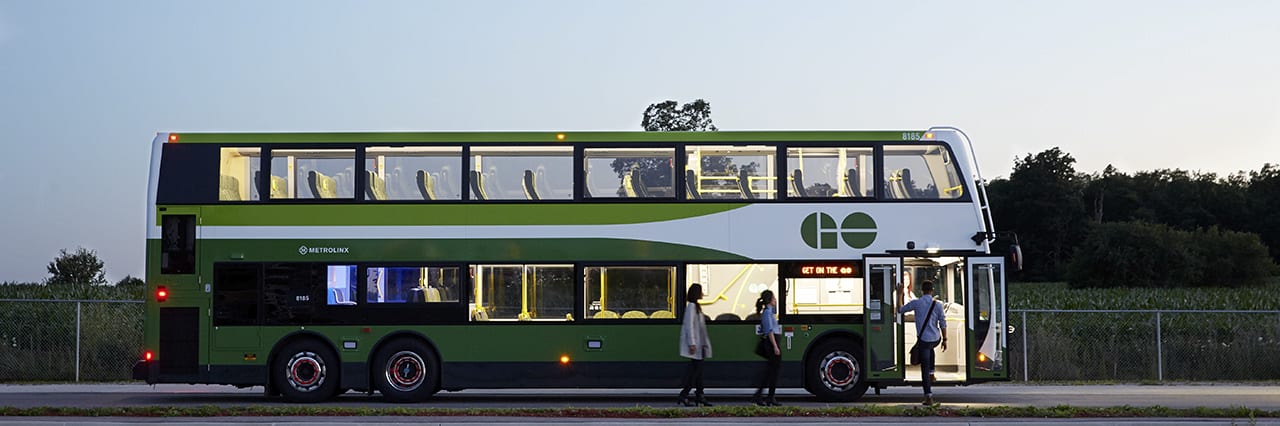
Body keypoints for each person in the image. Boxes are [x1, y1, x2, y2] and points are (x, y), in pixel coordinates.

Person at [899, 279, 947, 406]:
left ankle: (928, 396)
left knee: (923, 367)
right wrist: (945, 339)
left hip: (924, 340)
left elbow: (900, 310)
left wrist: (899, 294)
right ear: (932, 291)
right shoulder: (938, 304)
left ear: (921, 290)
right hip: (936, 339)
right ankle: (932, 373)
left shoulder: (916, 303)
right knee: (930, 349)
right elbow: (943, 322)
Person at [677, 283, 713, 407]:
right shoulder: (691, 307)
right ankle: (685, 395)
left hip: (699, 345)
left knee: (698, 372)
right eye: (701, 291)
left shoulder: (696, 306)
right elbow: (689, 326)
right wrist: (692, 343)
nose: (703, 294)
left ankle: (699, 395)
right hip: (696, 345)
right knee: (695, 372)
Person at [751, 289, 782, 406]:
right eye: (774, 298)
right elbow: (769, 331)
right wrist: (775, 346)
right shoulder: (767, 313)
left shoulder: (769, 312)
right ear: (769, 300)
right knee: (773, 372)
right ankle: (768, 397)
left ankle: (761, 396)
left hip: (772, 343)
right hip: (771, 343)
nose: (775, 300)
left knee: (770, 372)